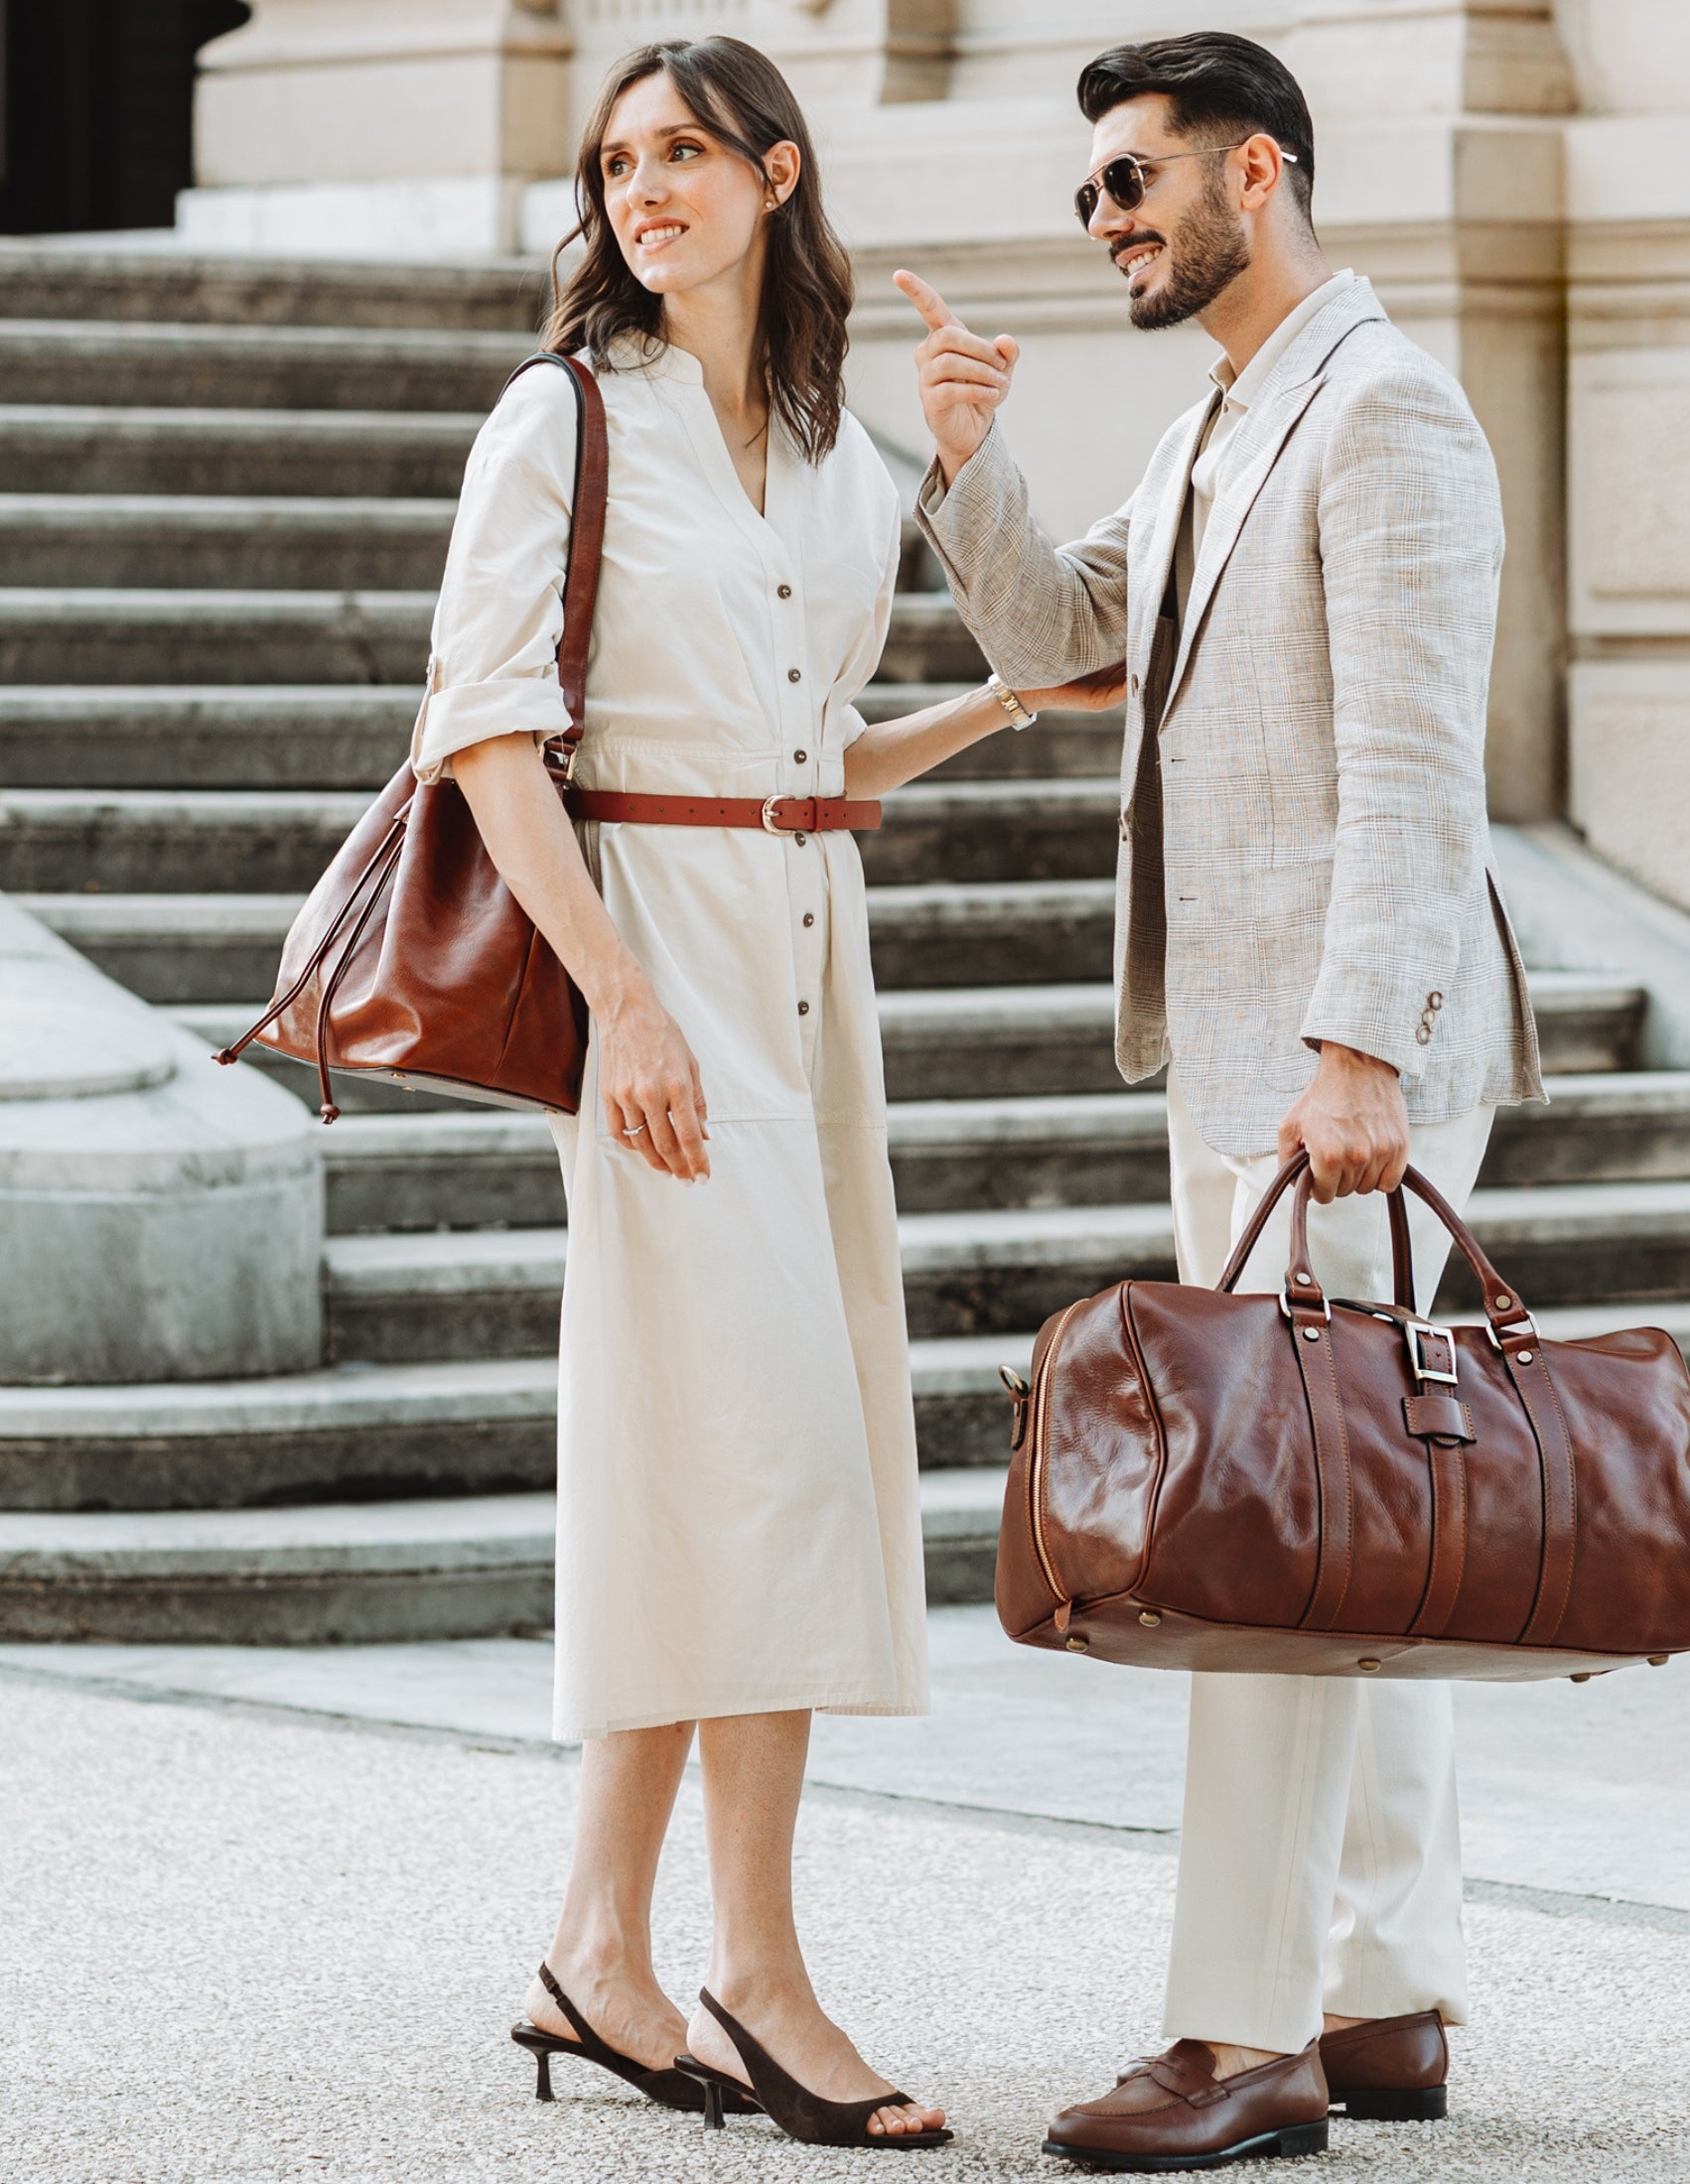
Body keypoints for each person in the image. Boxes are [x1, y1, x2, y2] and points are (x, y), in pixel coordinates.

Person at [421, 33, 1113, 2150]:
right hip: (661, 970)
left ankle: (594, 1950)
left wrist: (996, 691)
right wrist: (619, 1000)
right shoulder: (562, 417)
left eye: (686, 154)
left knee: (700, 1467)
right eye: (619, 161)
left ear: (774, 172)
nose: (645, 191)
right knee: (785, 1466)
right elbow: (487, 737)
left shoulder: (825, 441)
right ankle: (758, 1966)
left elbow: (812, 757)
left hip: (812, 968)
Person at [900, 28, 1544, 2170]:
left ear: (1256, 171)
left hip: (1330, 1067)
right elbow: (1068, 633)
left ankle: (1238, 2028)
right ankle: (1382, 1991)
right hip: (1266, 1061)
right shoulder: (1217, 418)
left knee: (1266, 1531)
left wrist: (1359, 1043)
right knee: (1352, 1502)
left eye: (1134, 178)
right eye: (1091, 190)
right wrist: (970, 460)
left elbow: (1417, 765)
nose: (1107, 218)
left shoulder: (1385, 407)